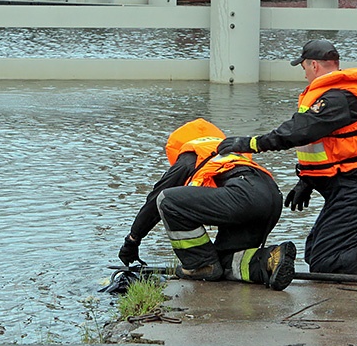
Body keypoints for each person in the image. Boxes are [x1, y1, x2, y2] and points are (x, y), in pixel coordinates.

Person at [217, 39, 357, 279]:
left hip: (356, 192)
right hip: (349, 188)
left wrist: (250, 144)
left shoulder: (337, 98)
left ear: (314, 65)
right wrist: (307, 181)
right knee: (313, 249)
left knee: (324, 262)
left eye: (304, 67)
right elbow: (332, 146)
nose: (304, 73)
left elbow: (298, 132)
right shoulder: (337, 93)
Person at [118, 118, 297, 291]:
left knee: (167, 200)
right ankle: (272, 260)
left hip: (244, 197)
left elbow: (154, 202)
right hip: (272, 198)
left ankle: (200, 265)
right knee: (224, 261)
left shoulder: (190, 156)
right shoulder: (229, 154)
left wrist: (132, 240)